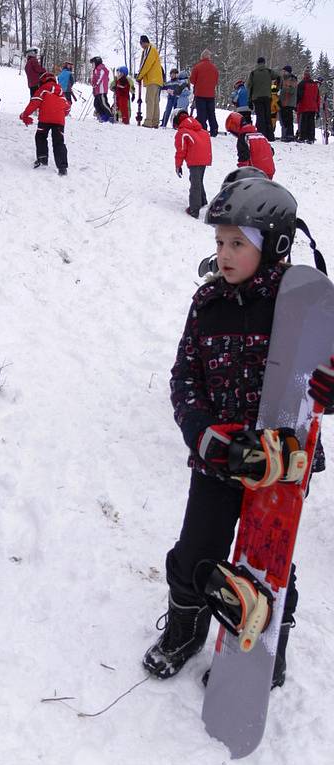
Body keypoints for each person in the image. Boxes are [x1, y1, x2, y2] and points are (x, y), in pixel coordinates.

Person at [142, 174, 331, 688]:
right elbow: (185, 378)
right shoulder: (207, 304)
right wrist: (204, 436)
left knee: (270, 562)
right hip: (218, 460)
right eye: (219, 242)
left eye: (237, 243)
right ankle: (185, 628)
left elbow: (325, 377)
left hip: (279, 468)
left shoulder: (304, 308)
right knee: (195, 550)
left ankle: (268, 648)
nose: (223, 254)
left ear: (274, 247)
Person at [19, 70, 70, 175]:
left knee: (41, 136)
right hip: (59, 121)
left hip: (45, 120)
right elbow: (67, 108)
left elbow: (34, 103)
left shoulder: (43, 89)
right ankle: (62, 168)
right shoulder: (61, 92)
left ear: (42, 80)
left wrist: (25, 115)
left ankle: (42, 159)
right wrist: (60, 114)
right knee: (59, 142)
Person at [173, 108, 212, 218]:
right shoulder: (201, 130)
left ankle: (194, 209)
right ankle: (202, 201)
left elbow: (181, 150)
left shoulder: (182, 132)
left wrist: (178, 165)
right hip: (205, 158)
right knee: (198, 179)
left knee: (195, 183)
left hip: (195, 159)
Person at [225, 112, 275, 180]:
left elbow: (244, 157)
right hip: (270, 171)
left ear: (235, 128)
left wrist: (240, 173)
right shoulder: (260, 135)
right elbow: (271, 151)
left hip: (256, 174)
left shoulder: (244, 138)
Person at [246, 56, 281, 141]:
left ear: (257, 63)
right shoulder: (269, 72)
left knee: (260, 117)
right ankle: (270, 136)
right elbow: (279, 77)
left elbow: (249, 86)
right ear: (264, 63)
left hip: (257, 98)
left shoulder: (253, 73)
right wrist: (276, 88)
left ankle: (261, 135)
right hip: (267, 97)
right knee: (267, 116)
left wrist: (249, 100)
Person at [189, 49, 219, 136]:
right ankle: (214, 129)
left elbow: (192, 80)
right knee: (211, 113)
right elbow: (216, 81)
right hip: (211, 94)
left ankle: (203, 129)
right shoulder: (214, 68)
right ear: (209, 57)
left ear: (201, 57)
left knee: (201, 113)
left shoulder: (197, 67)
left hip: (200, 94)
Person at [136, 35, 164, 128]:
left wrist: (139, 76)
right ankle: (155, 121)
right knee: (155, 101)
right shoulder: (153, 50)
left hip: (152, 79)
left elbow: (146, 64)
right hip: (157, 80)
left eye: (141, 43)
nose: (141, 46)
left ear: (144, 42)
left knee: (150, 100)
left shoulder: (149, 49)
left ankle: (149, 121)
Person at [296, 68, 320, 144]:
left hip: (304, 106)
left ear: (304, 75)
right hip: (313, 107)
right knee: (311, 123)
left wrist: (296, 105)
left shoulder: (302, 83)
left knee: (304, 122)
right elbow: (317, 97)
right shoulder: (315, 84)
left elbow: (299, 96)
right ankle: (311, 138)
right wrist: (317, 109)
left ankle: (303, 137)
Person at [90, 56, 113, 122]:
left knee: (103, 103)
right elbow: (94, 78)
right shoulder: (95, 70)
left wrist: (96, 84)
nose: (92, 65)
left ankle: (110, 116)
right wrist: (93, 83)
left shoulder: (101, 68)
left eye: (93, 63)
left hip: (102, 90)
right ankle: (103, 116)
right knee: (96, 104)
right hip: (97, 90)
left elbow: (99, 77)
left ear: (97, 63)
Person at [278, 65, 297, 142]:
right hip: (284, 102)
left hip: (288, 102)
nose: (283, 72)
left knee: (288, 120)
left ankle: (289, 135)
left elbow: (292, 90)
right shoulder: (284, 79)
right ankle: (285, 135)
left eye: (284, 71)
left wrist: (283, 90)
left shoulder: (292, 79)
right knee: (284, 120)